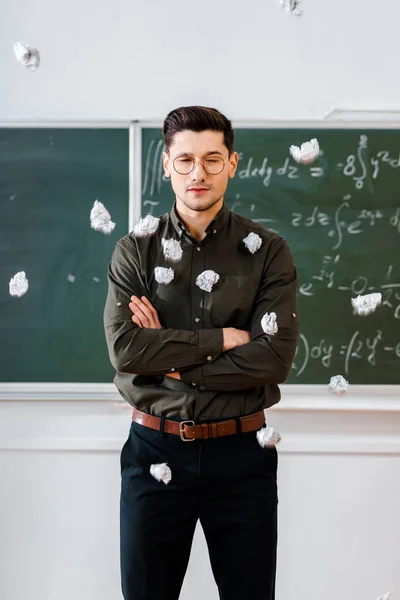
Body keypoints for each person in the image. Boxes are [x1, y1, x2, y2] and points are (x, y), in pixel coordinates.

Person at [103, 105, 299, 600]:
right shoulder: (135, 252)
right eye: (185, 159)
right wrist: (220, 340)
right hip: (154, 450)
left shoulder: (268, 251)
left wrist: (166, 358)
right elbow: (126, 349)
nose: (199, 173)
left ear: (232, 164)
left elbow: (272, 358)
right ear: (166, 164)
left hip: (242, 455)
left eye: (213, 159)